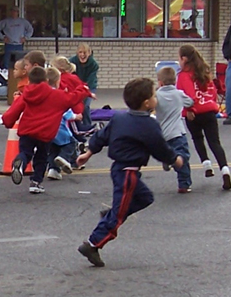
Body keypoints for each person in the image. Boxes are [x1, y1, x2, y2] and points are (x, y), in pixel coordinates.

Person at [75, 78, 183, 267]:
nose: (156, 98)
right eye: (154, 95)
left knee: (145, 198)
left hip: (121, 170)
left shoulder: (119, 118)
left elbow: (101, 136)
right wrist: (174, 159)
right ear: (147, 103)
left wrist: (89, 152)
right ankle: (93, 244)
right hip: (128, 173)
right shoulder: (149, 125)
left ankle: (111, 214)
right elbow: (160, 148)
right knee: (119, 214)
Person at [2, 66, 89, 193]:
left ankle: (20, 162)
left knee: (26, 152)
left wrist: (7, 122)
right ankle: (35, 182)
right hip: (45, 133)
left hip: (27, 131)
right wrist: (84, 89)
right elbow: (73, 97)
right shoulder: (56, 95)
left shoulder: (25, 95)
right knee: (41, 157)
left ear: (29, 81)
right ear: (46, 80)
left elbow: (13, 112)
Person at [177, 44, 231, 191]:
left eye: (179, 58)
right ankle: (225, 170)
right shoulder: (204, 71)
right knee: (214, 142)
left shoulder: (183, 75)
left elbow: (187, 95)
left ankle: (206, 164)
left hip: (194, 112)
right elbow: (212, 91)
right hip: (209, 110)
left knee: (197, 138)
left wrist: (189, 109)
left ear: (184, 59)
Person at [155, 67, 194, 194]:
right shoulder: (179, 94)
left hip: (163, 134)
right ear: (175, 81)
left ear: (160, 82)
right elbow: (190, 102)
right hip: (177, 132)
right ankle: (184, 184)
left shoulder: (157, 95)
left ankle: (167, 160)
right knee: (183, 158)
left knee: (167, 151)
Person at [70, 43, 99, 128]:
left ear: (89, 53)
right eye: (80, 52)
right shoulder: (71, 62)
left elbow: (91, 79)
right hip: (76, 86)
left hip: (89, 86)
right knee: (75, 105)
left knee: (85, 105)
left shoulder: (94, 64)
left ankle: (87, 125)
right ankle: (76, 125)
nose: (82, 55)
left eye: (85, 52)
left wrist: (86, 91)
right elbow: (71, 77)